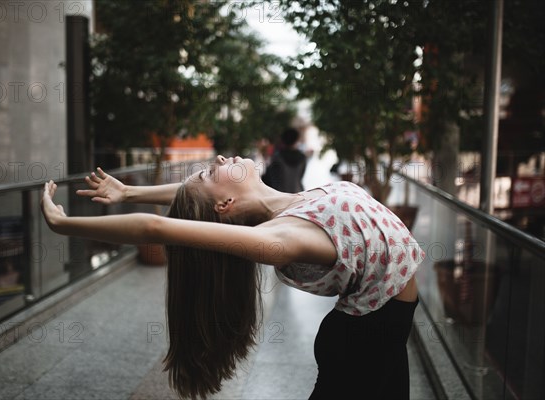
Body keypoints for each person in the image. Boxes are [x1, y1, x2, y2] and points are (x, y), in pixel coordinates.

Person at [41, 155, 425, 399]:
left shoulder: (295, 202)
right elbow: (156, 228)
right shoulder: (282, 238)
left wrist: (128, 191)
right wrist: (63, 225)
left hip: (379, 332)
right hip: (363, 344)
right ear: (226, 204)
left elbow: (196, 197)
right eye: (212, 170)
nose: (221, 157)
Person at [262, 128, 307, 193]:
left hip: (281, 194)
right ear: (296, 140)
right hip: (298, 193)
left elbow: (272, 178)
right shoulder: (302, 158)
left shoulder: (277, 157)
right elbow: (301, 176)